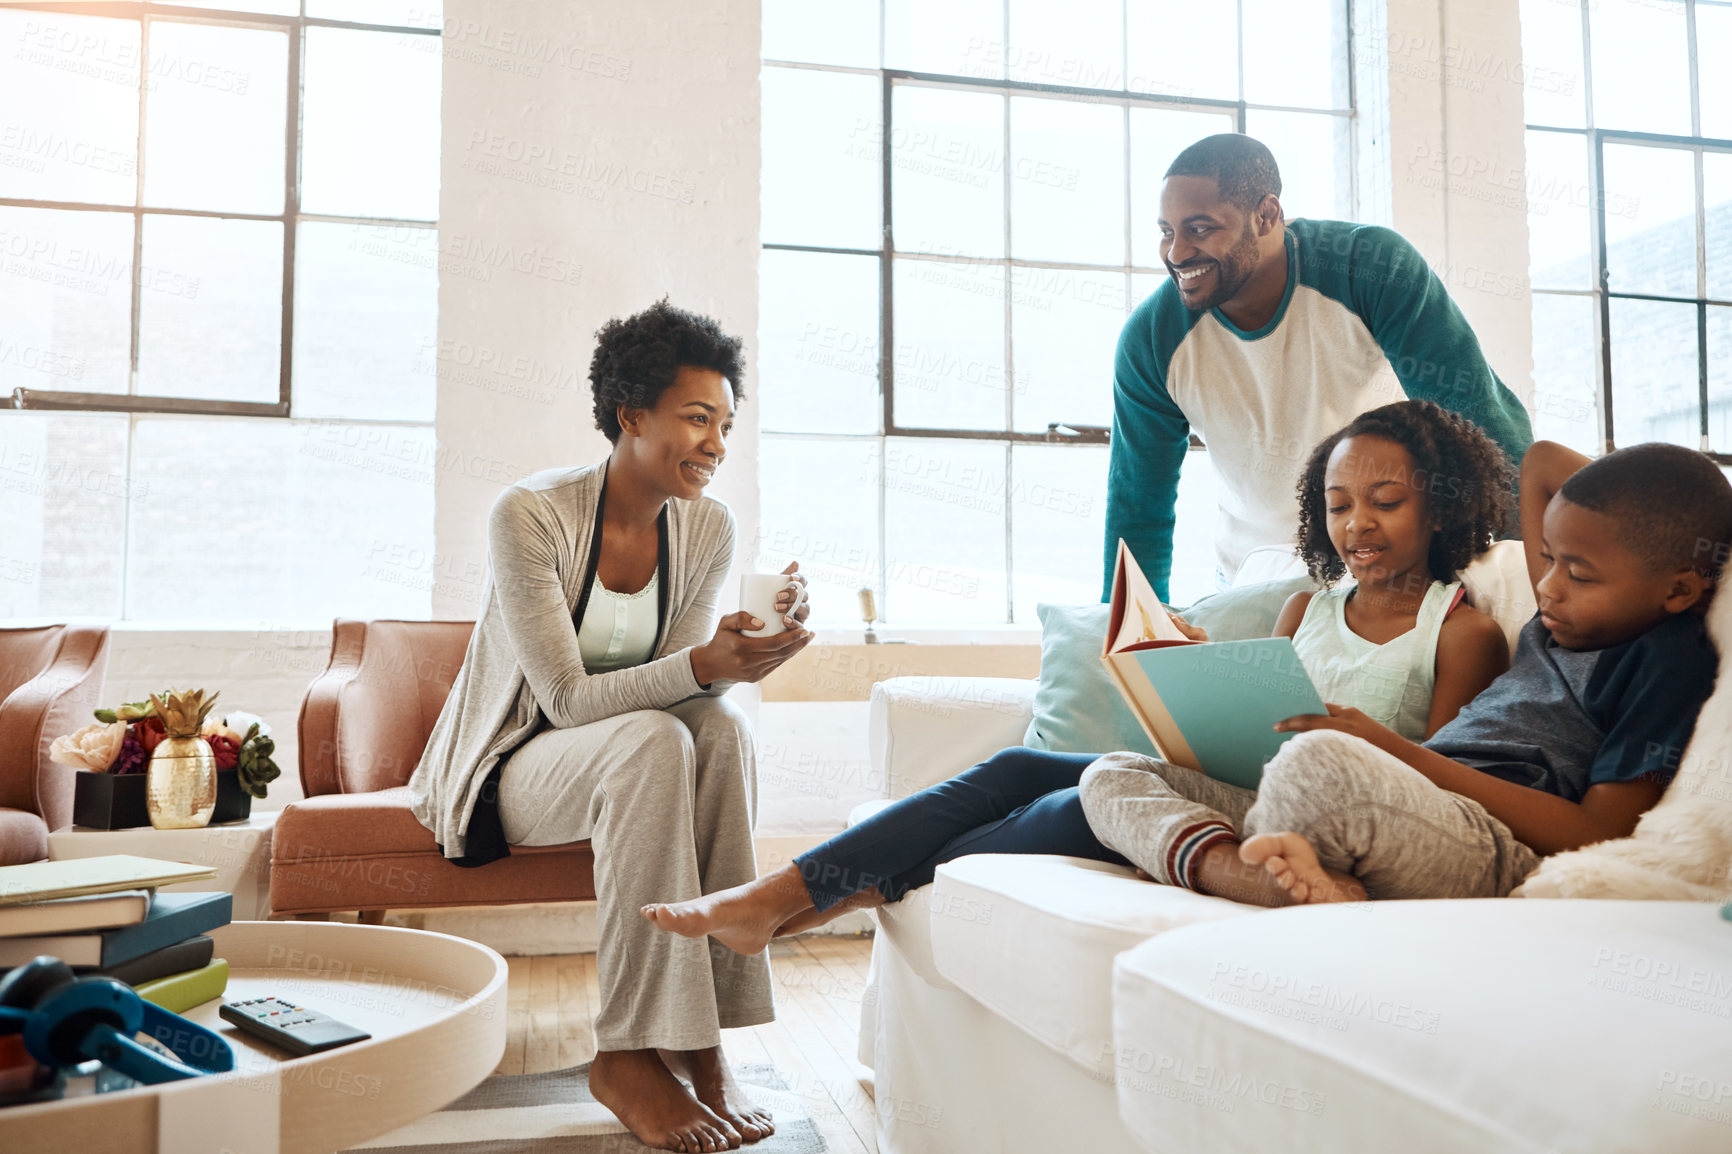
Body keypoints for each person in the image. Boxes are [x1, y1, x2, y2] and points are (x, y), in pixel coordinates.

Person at [637, 400, 1514, 953]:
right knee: (1018, 771)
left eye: (1385, 503)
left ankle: (810, 900)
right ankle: (790, 894)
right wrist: (1197, 676)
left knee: (1076, 796)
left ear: (1441, 501)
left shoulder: (1461, 632)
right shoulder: (1306, 610)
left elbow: (1432, 793)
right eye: (1338, 505)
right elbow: (1250, 719)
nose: (1358, 525)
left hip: (1317, 815)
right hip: (1234, 784)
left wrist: (1346, 732)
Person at [407, 300, 813, 1153]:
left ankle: (702, 1044)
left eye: (727, 424)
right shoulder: (531, 515)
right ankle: (627, 1052)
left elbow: (682, 692)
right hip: (510, 766)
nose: (716, 443)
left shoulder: (707, 525)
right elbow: (563, 699)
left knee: (722, 729)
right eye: (696, 418)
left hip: (623, 753)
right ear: (631, 415)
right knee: (655, 737)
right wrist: (704, 665)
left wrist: (747, 650)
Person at [1082, 440, 1732, 907]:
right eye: (1550, 560)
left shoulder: (1667, 658)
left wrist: (1398, 753)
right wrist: (1651, 520)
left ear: (1679, 590)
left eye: (1577, 572)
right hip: (1406, 798)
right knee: (1113, 773)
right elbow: (1541, 461)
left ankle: (1220, 860)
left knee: (1317, 762)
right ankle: (1240, 871)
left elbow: (1600, 833)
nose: (1550, 587)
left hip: (1487, 840)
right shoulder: (1569, 613)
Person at [1105, 132, 1533, 605]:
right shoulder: (1151, 339)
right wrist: (1127, 635)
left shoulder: (1368, 267)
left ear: (1266, 215)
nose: (1176, 253)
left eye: (1200, 229)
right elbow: (1138, 508)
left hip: (1393, 575)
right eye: (1167, 231)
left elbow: (1479, 423)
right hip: (1256, 582)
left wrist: (1532, 574)